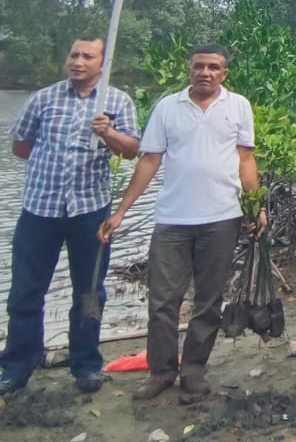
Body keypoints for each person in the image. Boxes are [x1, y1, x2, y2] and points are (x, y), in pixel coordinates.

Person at [99, 45, 263, 404]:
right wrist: (122, 210)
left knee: (208, 301)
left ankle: (193, 371)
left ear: (225, 73)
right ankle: (161, 372)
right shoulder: (166, 108)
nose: (205, 72)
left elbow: (246, 159)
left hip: (223, 218)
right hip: (173, 219)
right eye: (199, 66)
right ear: (189, 70)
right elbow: (149, 161)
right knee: (162, 300)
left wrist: (256, 208)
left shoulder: (238, 106)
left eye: (214, 67)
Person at [0, 36, 140, 397]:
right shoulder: (44, 98)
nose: (78, 61)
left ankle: (86, 364)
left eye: (87, 56)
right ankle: (18, 364)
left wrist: (107, 132)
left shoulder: (117, 101)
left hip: (89, 213)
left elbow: (132, 151)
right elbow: (21, 146)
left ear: (102, 64)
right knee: (25, 294)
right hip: (39, 211)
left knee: (89, 292)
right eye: (74, 54)